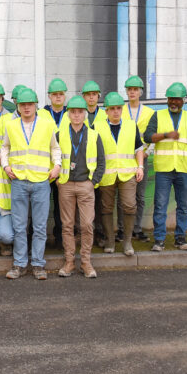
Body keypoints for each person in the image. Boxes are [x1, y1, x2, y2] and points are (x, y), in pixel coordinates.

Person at [1, 88, 62, 280]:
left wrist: (57, 166)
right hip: (18, 180)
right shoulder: (11, 126)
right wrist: (5, 166)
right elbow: (5, 147)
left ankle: (37, 264)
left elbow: (55, 148)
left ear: (35, 105)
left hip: (41, 181)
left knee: (40, 226)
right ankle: (19, 264)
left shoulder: (46, 125)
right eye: (23, 105)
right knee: (19, 226)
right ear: (18, 107)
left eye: (29, 104)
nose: (26, 108)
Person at [144, 82, 187, 251]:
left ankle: (180, 238)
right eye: (170, 99)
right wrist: (165, 135)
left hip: (183, 169)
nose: (173, 102)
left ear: (183, 100)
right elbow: (147, 136)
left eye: (177, 99)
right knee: (160, 205)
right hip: (164, 169)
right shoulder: (158, 116)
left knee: (183, 206)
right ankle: (159, 239)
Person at [55, 96, 105, 278]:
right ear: (68, 114)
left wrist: (93, 183)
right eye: (73, 112)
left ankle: (85, 262)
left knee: (86, 225)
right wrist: (58, 181)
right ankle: (69, 262)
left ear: (85, 114)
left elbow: (101, 162)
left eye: (80, 112)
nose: (76, 115)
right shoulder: (60, 135)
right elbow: (53, 158)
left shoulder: (93, 135)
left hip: (86, 185)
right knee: (67, 225)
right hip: (66, 185)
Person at [97, 92, 145, 256]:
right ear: (106, 111)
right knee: (106, 208)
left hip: (127, 173)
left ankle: (127, 242)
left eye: (119, 108)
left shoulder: (131, 125)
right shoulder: (97, 127)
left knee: (130, 206)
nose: (116, 111)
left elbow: (138, 148)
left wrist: (140, 167)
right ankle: (110, 240)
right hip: (106, 175)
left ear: (122, 109)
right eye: (112, 109)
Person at [119, 75, 155, 242]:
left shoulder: (149, 112)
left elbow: (153, 135)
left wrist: (148, 152)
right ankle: (122, 229)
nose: (132, 92)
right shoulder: (120, 110)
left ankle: (137, 229)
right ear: (126, 91)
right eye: (129, 89)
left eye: (135, 89)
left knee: (139, 197)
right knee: (123, 196)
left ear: (140, 91)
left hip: (142, 159)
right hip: (124, 160)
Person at [38, 77, 68, 250]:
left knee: (61, 207)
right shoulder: (41, 114)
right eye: (55, 94)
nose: (58, 97)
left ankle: (59, 239)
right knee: (40, 207)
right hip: (42, 169)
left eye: (61, 94)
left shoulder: (71, 113)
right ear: (49, 96)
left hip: (62, 169)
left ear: (65, 96)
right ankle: (37, 240)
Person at [82, 80, 106, 246]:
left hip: (100, 166)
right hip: (83, 167)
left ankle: (100, 234)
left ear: (98, 96)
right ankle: (83, 235)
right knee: (83, 205)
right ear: (83, 97)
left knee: (100, 203)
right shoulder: (78, 114)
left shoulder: (105, 115)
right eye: (88, 95)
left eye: (94, 94)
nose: (91, 98)